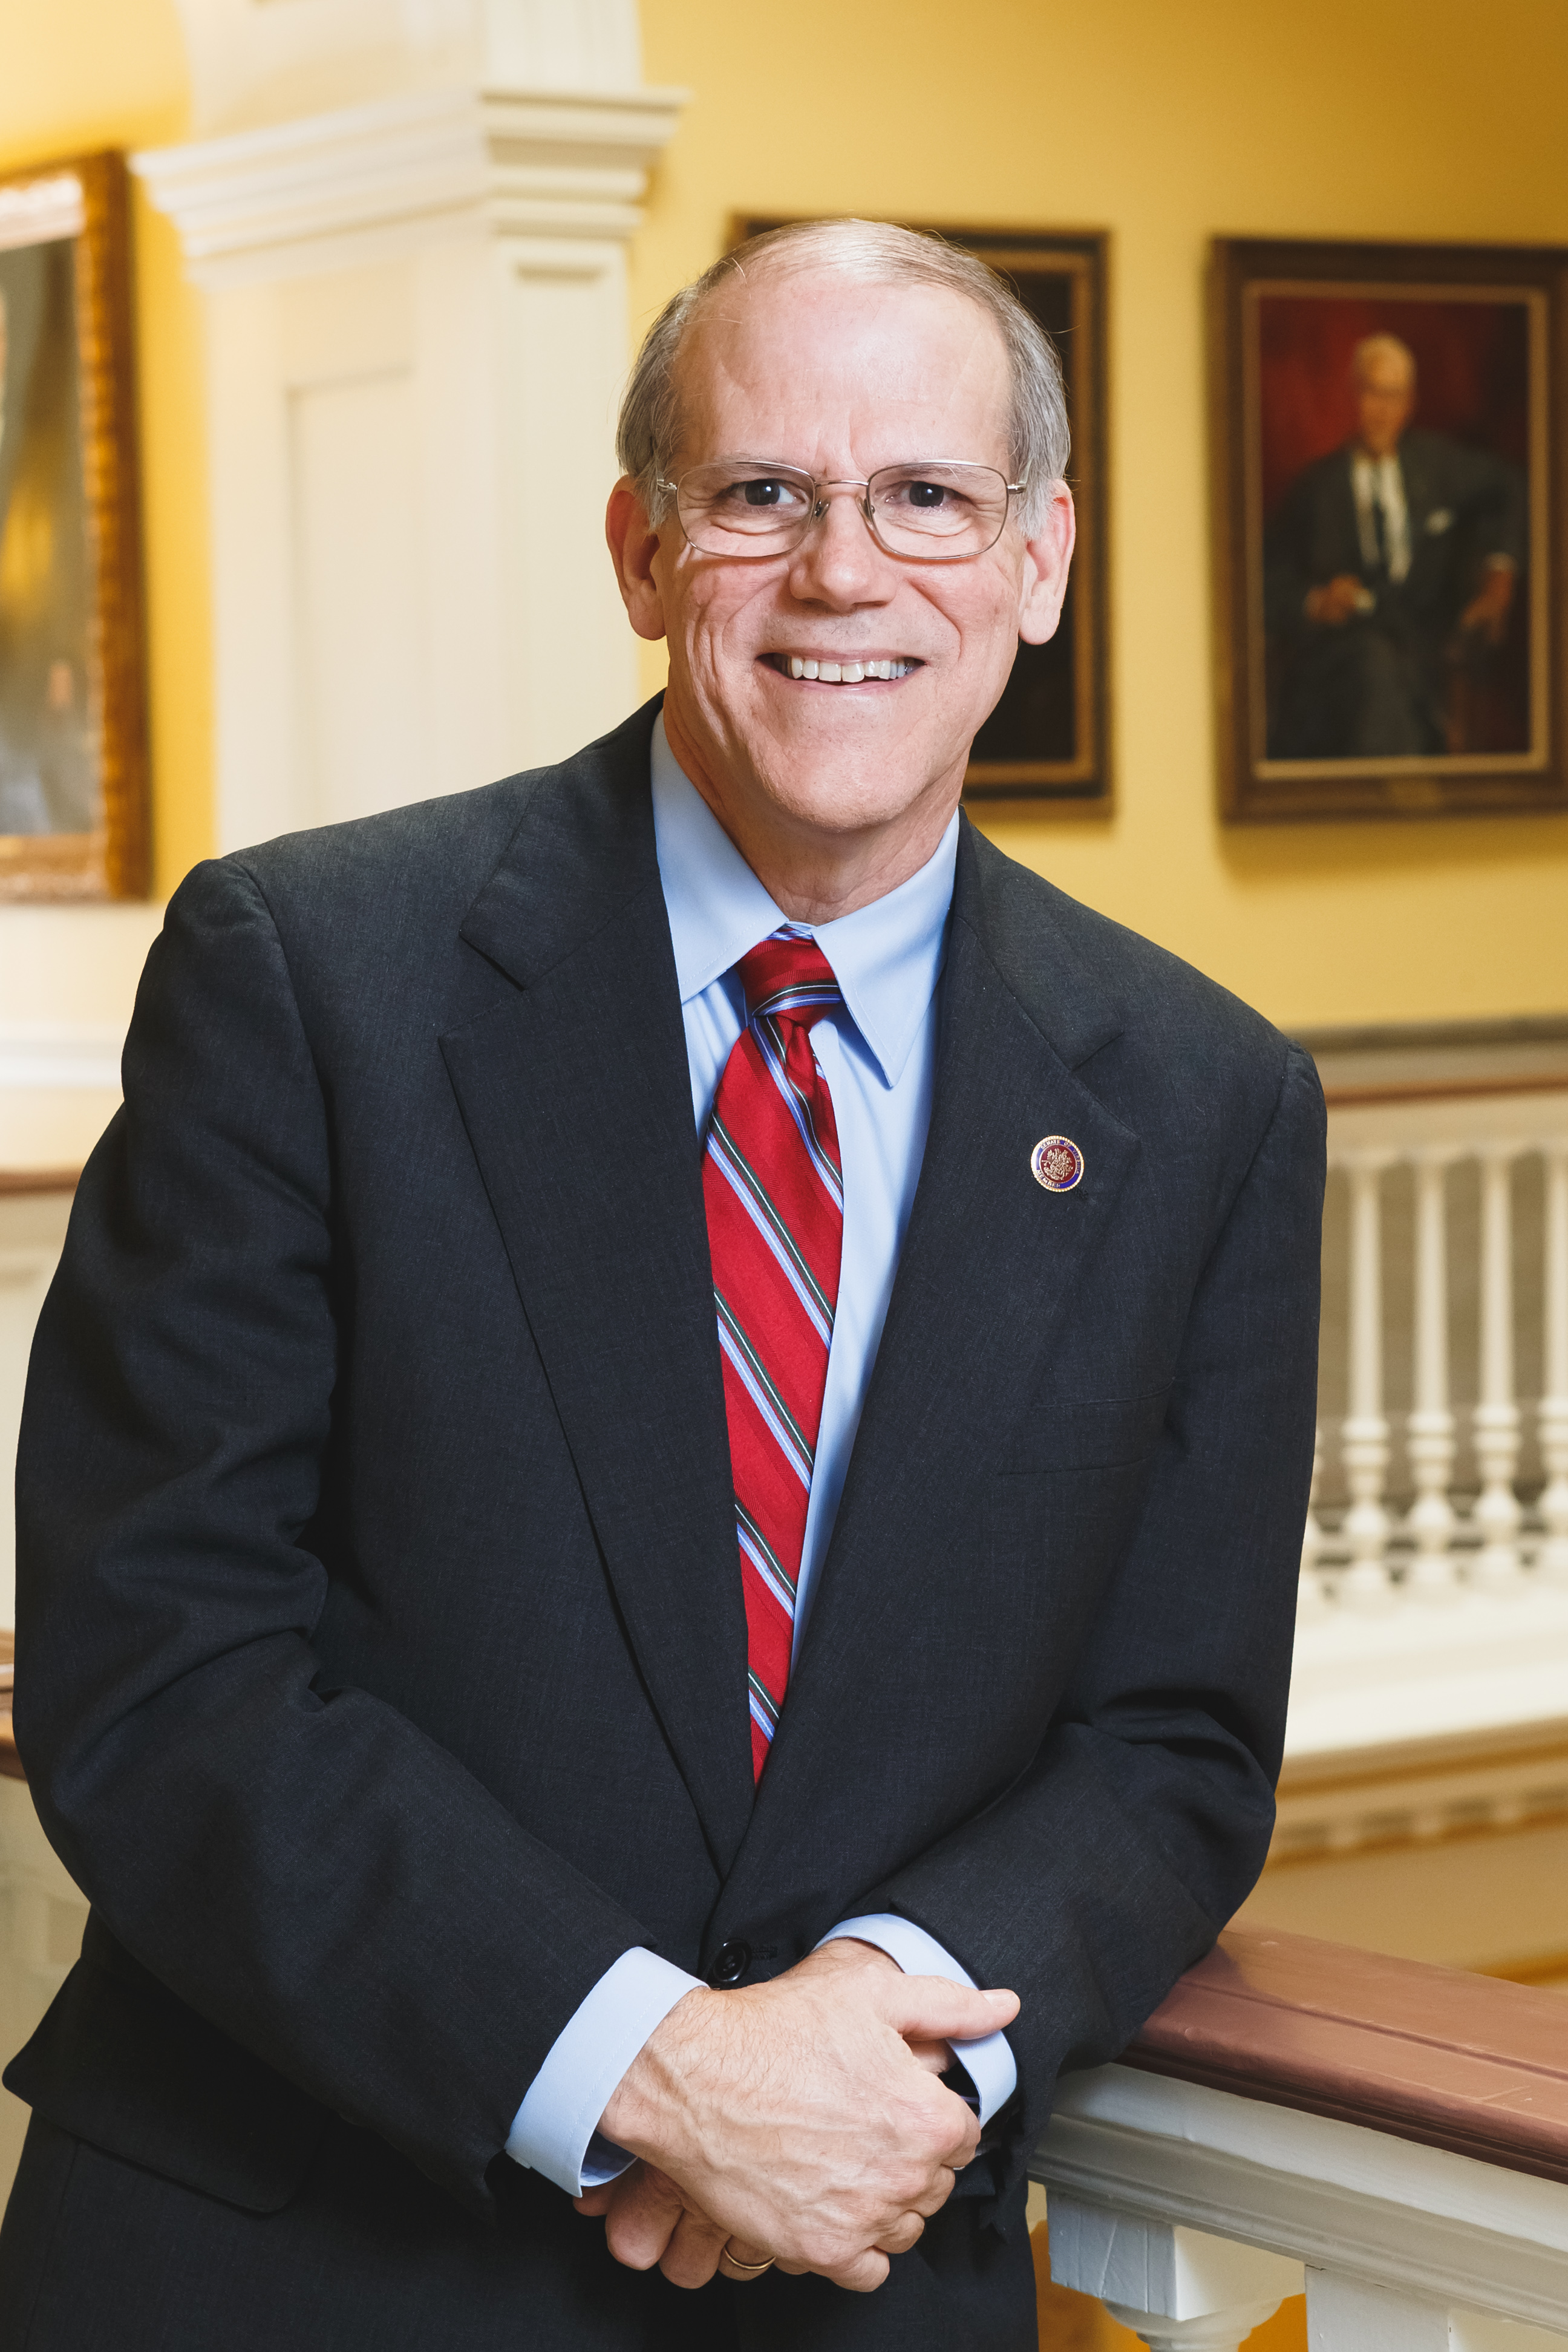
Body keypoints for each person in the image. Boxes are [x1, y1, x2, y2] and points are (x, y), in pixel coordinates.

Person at [0, 220, 1324, 2352]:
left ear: (1039, 560)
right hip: (288, 2264)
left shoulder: (1207, 1096)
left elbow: (1173, 1738)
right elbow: (157, 1658)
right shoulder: (306, 976)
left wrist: (875, 2032)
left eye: (926, 498)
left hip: (855, 2274)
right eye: (760, 496)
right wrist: (641, 2064)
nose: (844, 574)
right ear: (638, 549)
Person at [1264, 331, 1526, 759]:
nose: (1383, 412)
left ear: (1410, 404)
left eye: (1395, 397)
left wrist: (1499, 577)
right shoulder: (1315, 490)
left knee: (1398, 687)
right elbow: (1261, 583)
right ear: (1353, 397)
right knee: (1373, 670)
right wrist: (1315, 603)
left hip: (1429, 662)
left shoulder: (1438, 466)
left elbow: (1510, 488)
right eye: (1373, 394)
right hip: (1340, 671)